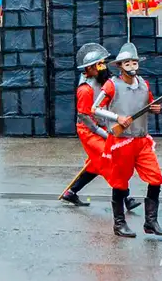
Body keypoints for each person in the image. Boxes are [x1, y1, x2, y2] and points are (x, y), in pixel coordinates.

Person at [92, 43, 162, 238]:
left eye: (134, 62)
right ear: (120, 66)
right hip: (121, 141)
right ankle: (119, 224)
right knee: (120, 183)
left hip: (141, 140)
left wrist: (156, 108)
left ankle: (151, 222)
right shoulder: (112, 85)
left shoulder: (143, 84)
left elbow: (150, 104)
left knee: (156, 178)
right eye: (128, 62)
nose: (132, 65)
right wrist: (117, 118)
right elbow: (95, 108)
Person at [60, 44, 141, 213]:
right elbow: (84, 116)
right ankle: (126, 198)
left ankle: (71, 191)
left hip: (103, 125)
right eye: (100, 64)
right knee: (110, 160)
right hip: (88, 130)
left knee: (96, 164)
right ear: (90, 68)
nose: (103, 67)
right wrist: (103, 134)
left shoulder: (103, 81)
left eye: (103, 63)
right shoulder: (85, 89)